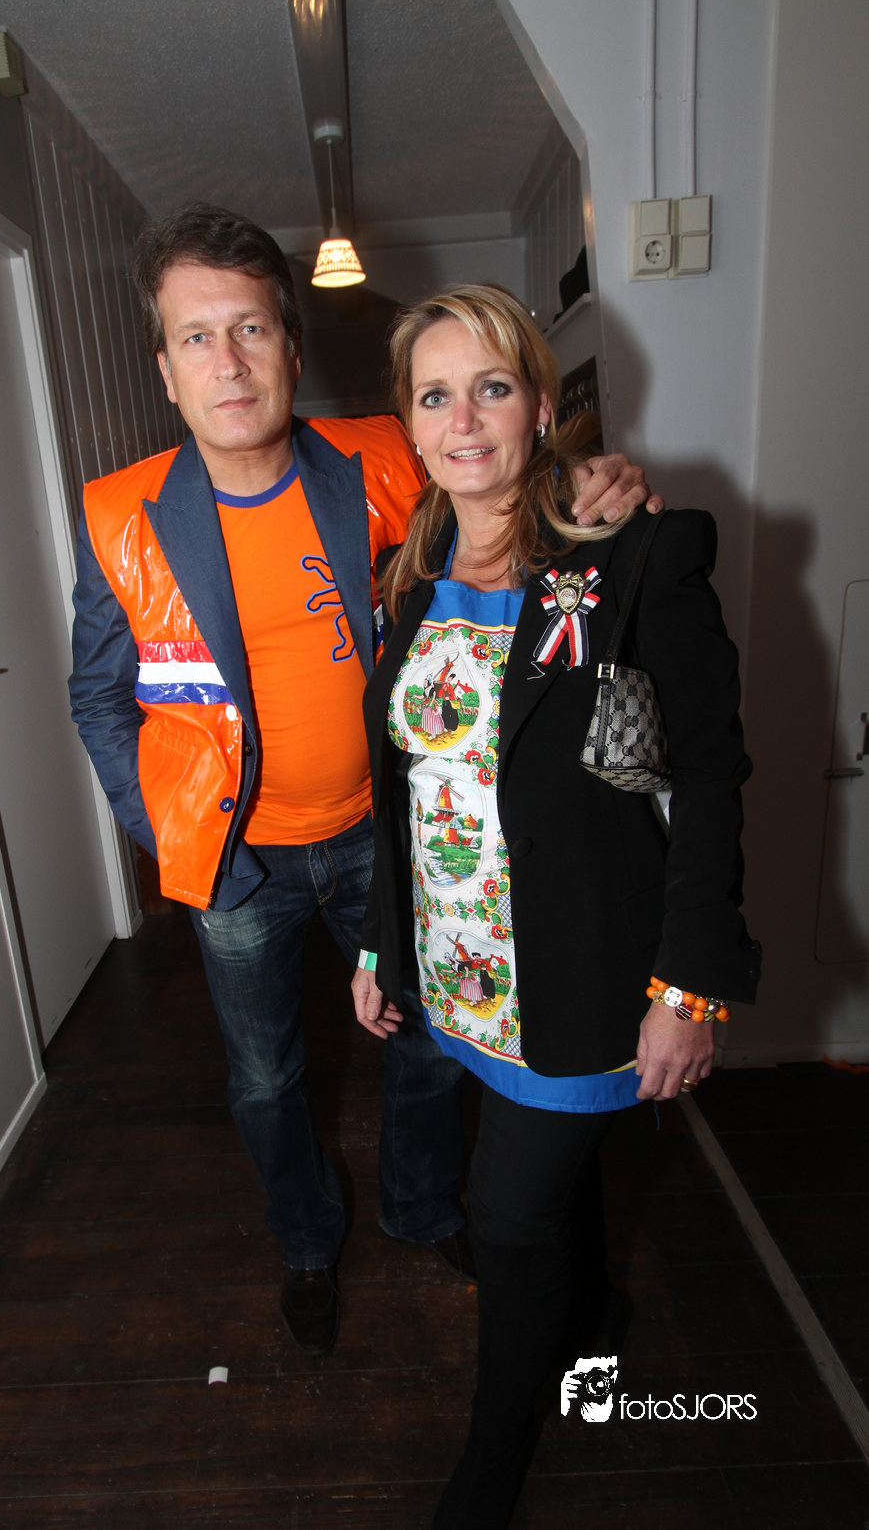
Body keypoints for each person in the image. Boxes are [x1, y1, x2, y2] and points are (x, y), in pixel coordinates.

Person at [69, 204, 659, 1358]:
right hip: (236, 866)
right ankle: (304, 1240)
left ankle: (420, 1206)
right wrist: (164, 831)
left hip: (384, 840)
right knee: (264, 1076)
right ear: (165, 368)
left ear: (291, 347)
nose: (228, 361)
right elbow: (97, 696)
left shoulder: (380, 460)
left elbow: (502, 477)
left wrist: (594, 475)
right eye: (195, 336)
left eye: (250, 328)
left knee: (428, 1041)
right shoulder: (115, 516)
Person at [351, 283, 760, 1526]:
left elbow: (709, 776)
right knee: (551, 1194)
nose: (462, 419)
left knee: (505, 1218)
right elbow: (406, 785)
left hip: (583, 979)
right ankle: (592, 1319)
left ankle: (492, 1455)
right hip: (461, 971)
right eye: (434, 395)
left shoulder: (626, 552)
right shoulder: (407, 576)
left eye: (490, 387)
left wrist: (688, 988)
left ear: (539, 402)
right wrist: (378, 939)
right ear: (409, 424)